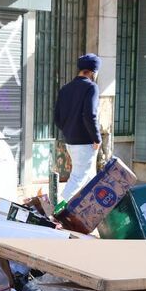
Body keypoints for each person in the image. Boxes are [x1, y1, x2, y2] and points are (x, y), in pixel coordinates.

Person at [54, 54, 102, 202]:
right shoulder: (91, 87)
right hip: (85, 142)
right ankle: (55, 212)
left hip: (70, 141)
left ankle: (89, 217)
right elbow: (90, 114)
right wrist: (97, 138)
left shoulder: (65, 89)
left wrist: (69, 131)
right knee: (78, 179)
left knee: (89, 180)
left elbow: (57, 118)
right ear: (93, 72)